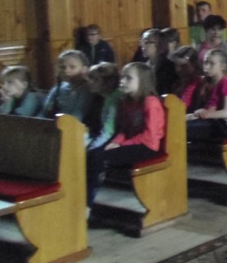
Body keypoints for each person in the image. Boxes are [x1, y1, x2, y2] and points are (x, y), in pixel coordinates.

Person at [86, 62, 165, 208]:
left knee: (98, 158)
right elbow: (124, 129)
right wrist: (116, 142)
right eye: (122, 77)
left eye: (129, 78)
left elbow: (150, 136)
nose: (122, 81)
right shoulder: (126, 102)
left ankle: (88, 203)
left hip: (148, 147)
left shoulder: (150, 102)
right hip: (132, 143)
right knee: (93, 155)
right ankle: (88, 199)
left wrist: (122, 144)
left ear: (143, 81)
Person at [187, 49, 227, 140]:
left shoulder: (226, 83)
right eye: (205, 63)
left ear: (222, 66)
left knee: (184, 129)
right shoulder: (205, 82)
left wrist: (204, 114)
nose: (207, 67)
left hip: (220, 123)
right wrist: (196, 113)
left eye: (212, 64)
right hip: (207, 118)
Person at [41, 49, 94, 122]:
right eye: (63, 67)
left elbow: (78, 116)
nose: (66, 70)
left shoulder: (87, 89)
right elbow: (45, 111)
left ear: (84, 69)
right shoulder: (59, 88)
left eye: (72, 67)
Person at [85, 62, 121, 151]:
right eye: (90, 78)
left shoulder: (115, 99)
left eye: (95, 79)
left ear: (107, 81)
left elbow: (108, 131)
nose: (89, 82)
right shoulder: (99, 98)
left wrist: (91, 148)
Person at [138, 28, 180, 95]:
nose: (142, 46)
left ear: (160, 45)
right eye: (142, 42)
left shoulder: (170, 68)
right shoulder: (143, 67)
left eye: (146, 42)